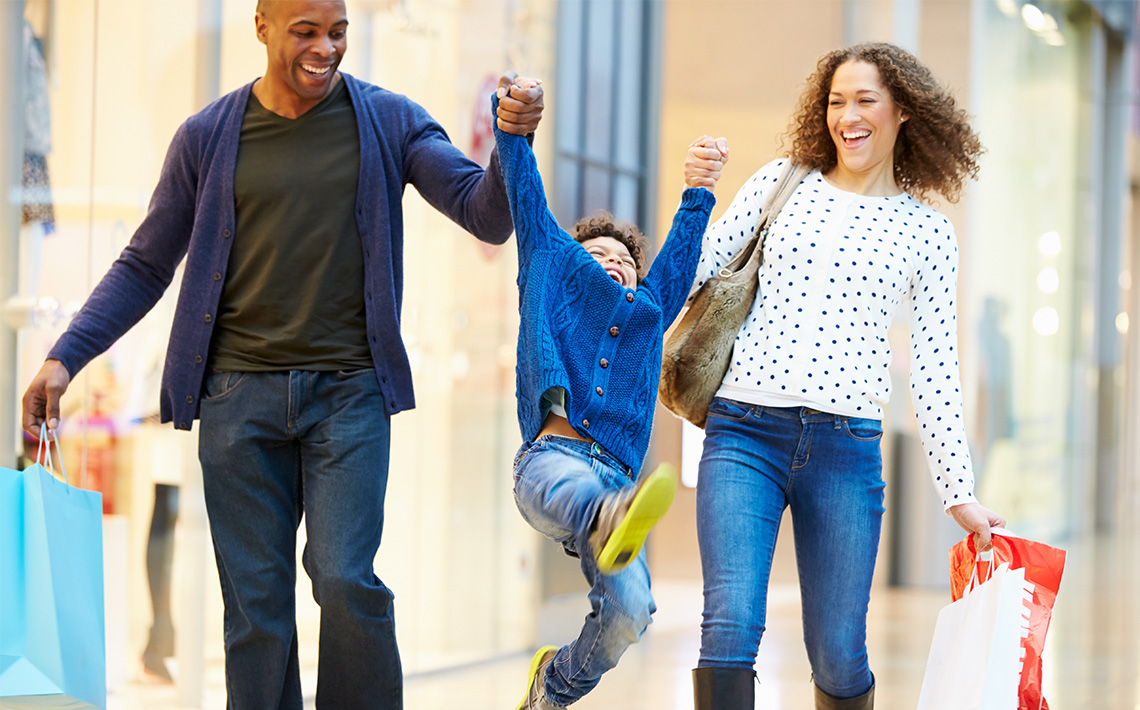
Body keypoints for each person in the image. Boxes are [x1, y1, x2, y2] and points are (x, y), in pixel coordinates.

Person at [20, 0, 544, 706]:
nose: (325, 48)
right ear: (263, 25)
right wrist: (65, 357)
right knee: (256, 614)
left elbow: (484, 213)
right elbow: (146, 265)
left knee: (344, 577)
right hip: (238, 401)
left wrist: (511, 140)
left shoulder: (389, 120)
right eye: (306, 31)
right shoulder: (206, 137)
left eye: (338, 32)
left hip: (351, 396)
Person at [683, 42, 1006, 710]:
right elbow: (697, 271)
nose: (847, 117)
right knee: (730, 626)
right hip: (743, 432)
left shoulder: (926, 231)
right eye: (836, 102)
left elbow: (937, 369)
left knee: (839, 651)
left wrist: (958, 493)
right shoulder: (781, 181)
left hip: (846, 450)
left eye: (865, 101)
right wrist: (695, 195)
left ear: (904, 112)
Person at [491, 88, 725, 709]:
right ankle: (604, 516)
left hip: (618, 481)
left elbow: (677, 260)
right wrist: (513, 125)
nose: (612, 264)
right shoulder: (549, 261)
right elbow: (524, 190)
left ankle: (555, 685)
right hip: (551, 461)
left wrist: (700, 186)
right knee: (580, 494)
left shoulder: (649, 310)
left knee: (632, 611)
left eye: (623, 260)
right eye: (597, 255)